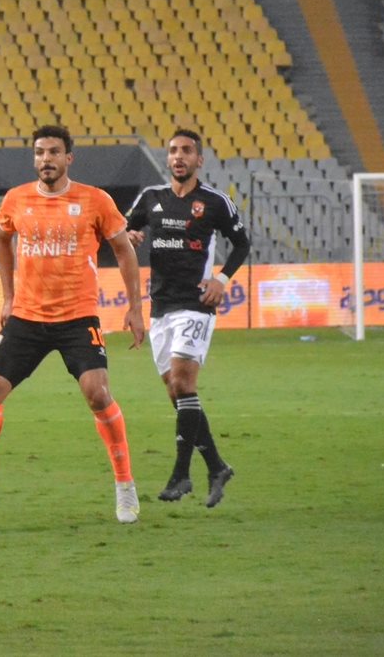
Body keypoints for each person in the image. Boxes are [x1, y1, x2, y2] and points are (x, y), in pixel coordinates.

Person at [0, 125, 146, 524]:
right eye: (40, 152)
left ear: (68, 158)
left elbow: (124, 249)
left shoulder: (95, 200)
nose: (46, 159)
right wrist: (8, 297)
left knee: (98, 393)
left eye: (54, 152)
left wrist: (134, 307)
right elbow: (2, 240)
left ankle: (125, 486)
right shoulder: (16, 199)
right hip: (27, 316)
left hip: (77, 316)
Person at [125, 128, 249, 508]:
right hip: (160, 307)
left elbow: (241, 243)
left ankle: (181, 475)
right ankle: (217, 466)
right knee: (176, 393)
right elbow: (123, 230)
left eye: (186, 151)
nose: (179, 156)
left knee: (183, 382)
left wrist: (221, 279)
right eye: (173, 151)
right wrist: (129, 236)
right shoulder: (151, 198)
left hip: (197, 303)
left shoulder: (215, 202)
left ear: (199, 160)